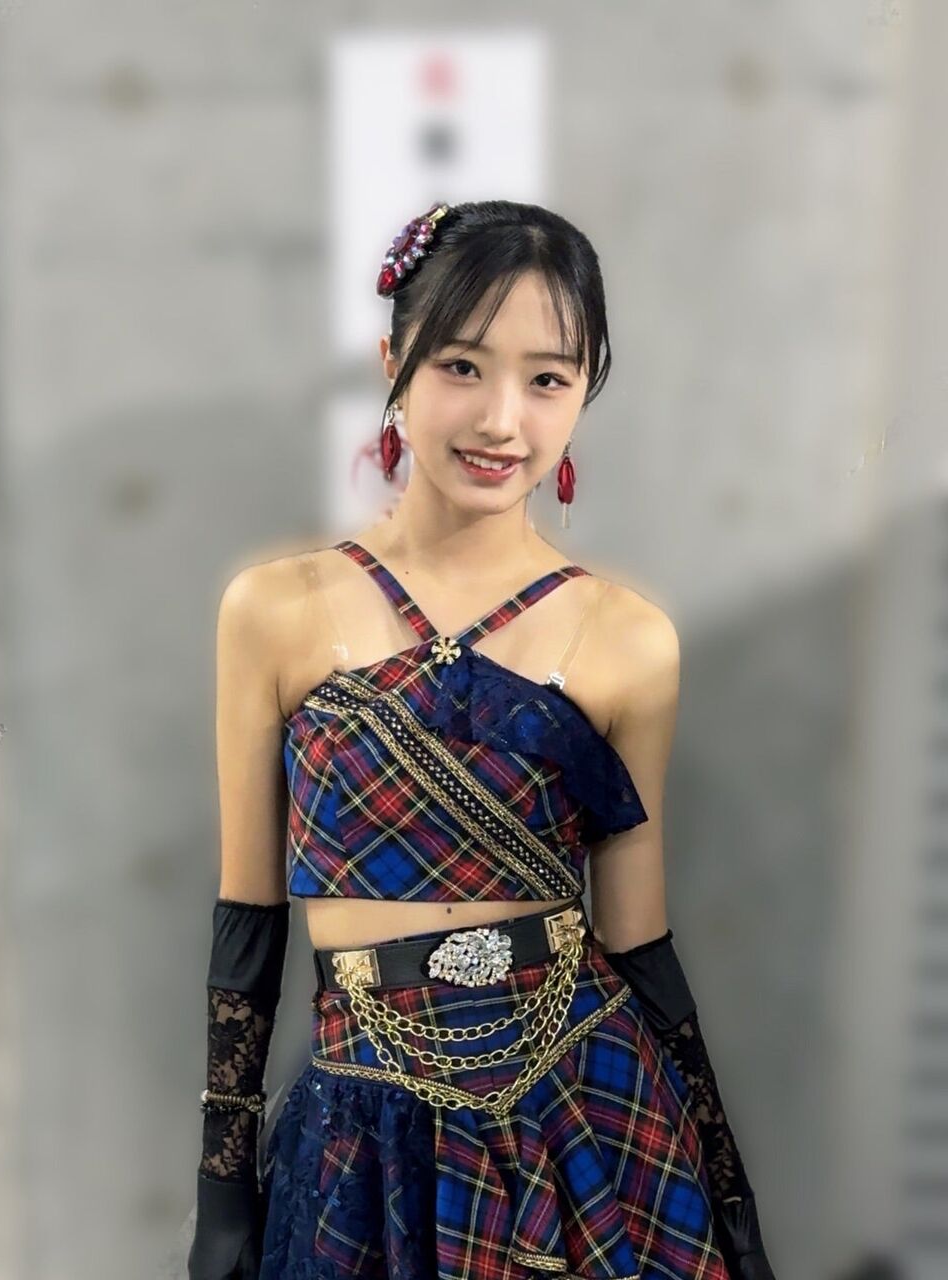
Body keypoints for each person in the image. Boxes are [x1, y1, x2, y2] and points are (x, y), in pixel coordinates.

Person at [187, 199, 777, 1279]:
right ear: (394, 364)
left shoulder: (629, 638)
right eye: (462, 365)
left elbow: (638, 937)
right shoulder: (273, 612)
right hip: (366, 1122)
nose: (503, 419)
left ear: (584, 394)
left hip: (586, 1107)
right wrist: (221, 1190)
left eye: (548, 379)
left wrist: (725, 1187)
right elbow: (247, 928)